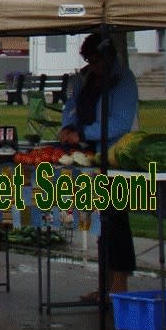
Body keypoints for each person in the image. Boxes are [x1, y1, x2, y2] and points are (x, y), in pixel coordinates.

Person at [59, 33, 138, 298]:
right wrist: (68, 127)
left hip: (115, 158)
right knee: (100, 222)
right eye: (87, 61)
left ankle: (120, 282)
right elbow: (71, 106)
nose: (91, 66)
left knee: (116, 220)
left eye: (94, 61)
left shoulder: (124, 80)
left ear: (108, 57)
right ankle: (104, 283)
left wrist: (85, 133)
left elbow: (120, 122)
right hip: (90, 156)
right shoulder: (87, 78)